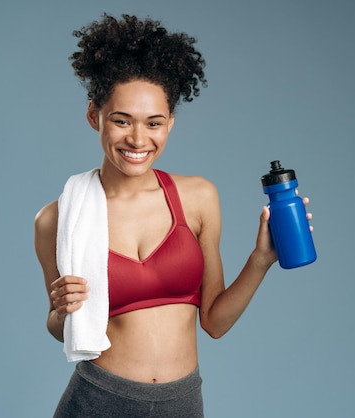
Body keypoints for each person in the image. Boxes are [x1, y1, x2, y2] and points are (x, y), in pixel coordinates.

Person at [34, 14, 311, 417]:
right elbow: (60, 326)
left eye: (154, 123)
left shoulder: (197, 198)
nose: (137, 139)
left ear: (170, 124)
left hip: (180, 404)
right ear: (95, 116)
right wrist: (61, 312)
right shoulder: (57, 219)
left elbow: (214, 322)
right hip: (96, 400)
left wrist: (261, 260)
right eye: (121, 120)